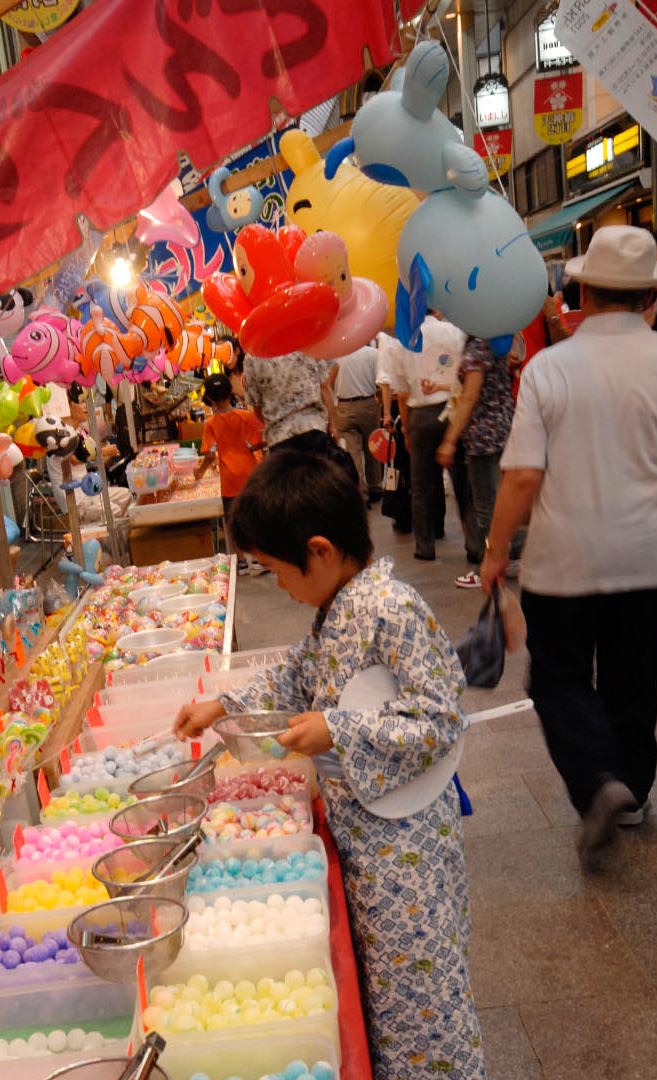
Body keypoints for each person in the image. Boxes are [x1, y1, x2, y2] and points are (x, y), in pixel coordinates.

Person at [174, 449, 481, 1078]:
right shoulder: (337, 609)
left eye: (277, 571)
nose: (281, 587)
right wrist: (226, 707)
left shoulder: (391, 609)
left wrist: (337, 728)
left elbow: (440, 719)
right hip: (371, 837)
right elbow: (296, 675)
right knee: (389, 996)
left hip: (406, 848)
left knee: (421, 998)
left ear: (318, 550)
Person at [479, 225, 657, 871]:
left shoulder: (549, 368)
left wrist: (496, 549)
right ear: (648, 296)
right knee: (634, 674)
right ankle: (633, 792)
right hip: (647, 555)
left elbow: (523, 474)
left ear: (581, 290)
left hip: (562, 563)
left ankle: (595, 784)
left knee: (557, 678)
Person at [377, 319, 467, 560]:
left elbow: (402, 393)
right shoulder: (451, 330)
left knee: (421, 485)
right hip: (453, 409)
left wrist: (406, 430)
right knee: (463, 483)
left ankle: (425, 546)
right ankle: (475, 545)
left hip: (421, 416)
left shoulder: (402, 341)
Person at [437, 335, 522, 590]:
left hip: (483, 434)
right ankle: (513, 552)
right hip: (503, 427)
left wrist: (450, 439)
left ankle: (491, 562)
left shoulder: (476, 346)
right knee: (501, 497)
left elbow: (471, 396)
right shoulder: (495, 339)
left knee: (486, 504)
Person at [194, 374, 265, 575]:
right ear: (230, 393)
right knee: (254, 518)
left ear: (211, 399)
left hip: (229, 479)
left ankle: (241, 561)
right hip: (250, 475)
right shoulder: (247, 417)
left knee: (233, 521)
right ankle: (259, 559)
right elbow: (258, 444)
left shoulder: (210, 424)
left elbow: (208, 455)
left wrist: (199, 472)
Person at [242, 349, 351, 480]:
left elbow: (257, 406)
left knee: (289, 491)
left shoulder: (253, 356)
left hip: (279, 438)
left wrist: (273, 424)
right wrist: (332, 425)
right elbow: (324, 386)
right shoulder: (305, 342)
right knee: (321, 486)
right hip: (313, 429)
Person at [322, 341, 386, 504]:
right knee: (372, 447)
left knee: (353, 452)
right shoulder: (373, 354)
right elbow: (381, 382)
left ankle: (360, 492)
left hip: (344, 407)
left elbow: (328, 384)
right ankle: (375, 487)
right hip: (368, 405)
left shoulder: (338, 355)